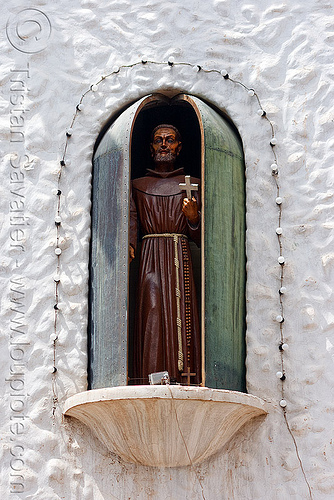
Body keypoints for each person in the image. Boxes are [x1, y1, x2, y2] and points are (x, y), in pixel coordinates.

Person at [129, 124, 201, 384]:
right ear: (150, 148)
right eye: (158, 140)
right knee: (153, 311)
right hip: (150, 256)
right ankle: (151, 377)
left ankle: (183, 376)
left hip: (178, 256)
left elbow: (205, 239)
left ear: (178, 147)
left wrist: (193, 219)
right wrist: (128, 246)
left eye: (170, 140)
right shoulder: (138, 185)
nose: (163, 145)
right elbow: (130, 222)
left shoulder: (192, 185)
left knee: (180, 312)